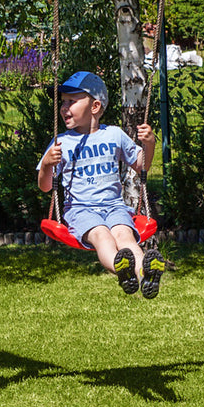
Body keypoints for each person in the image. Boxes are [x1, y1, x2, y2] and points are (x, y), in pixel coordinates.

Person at [36, 71, 165, 299]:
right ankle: (122, 271)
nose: (64, 108)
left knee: (125, 236)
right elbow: (45, 187)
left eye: (72, 101)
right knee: (102, 236)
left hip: (116, 207)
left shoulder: (114, 134)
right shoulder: (61, 143)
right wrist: (47, 164)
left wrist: (150, 143)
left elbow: (141, 165)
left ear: (95, 106)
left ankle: (145, 274)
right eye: (63, 102)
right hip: (81, 210)